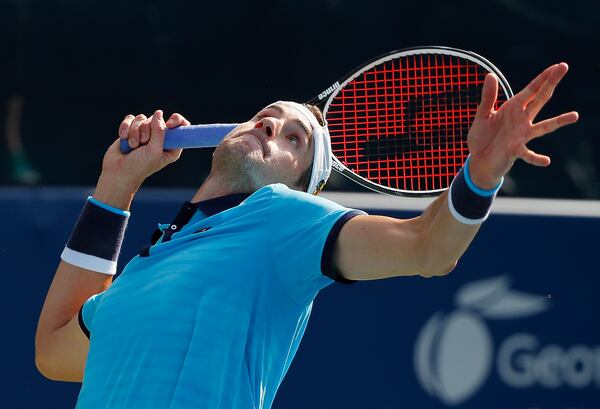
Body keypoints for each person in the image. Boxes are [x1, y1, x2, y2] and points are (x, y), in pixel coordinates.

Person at [35, 64, 578, 409]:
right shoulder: (141, 272)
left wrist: (480, 174)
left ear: (301, 184)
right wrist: (115, 187)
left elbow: (428, 249)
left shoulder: (283, 219)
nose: (271, 125)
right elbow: (55, 349)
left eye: (294, 137)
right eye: (267, 118)